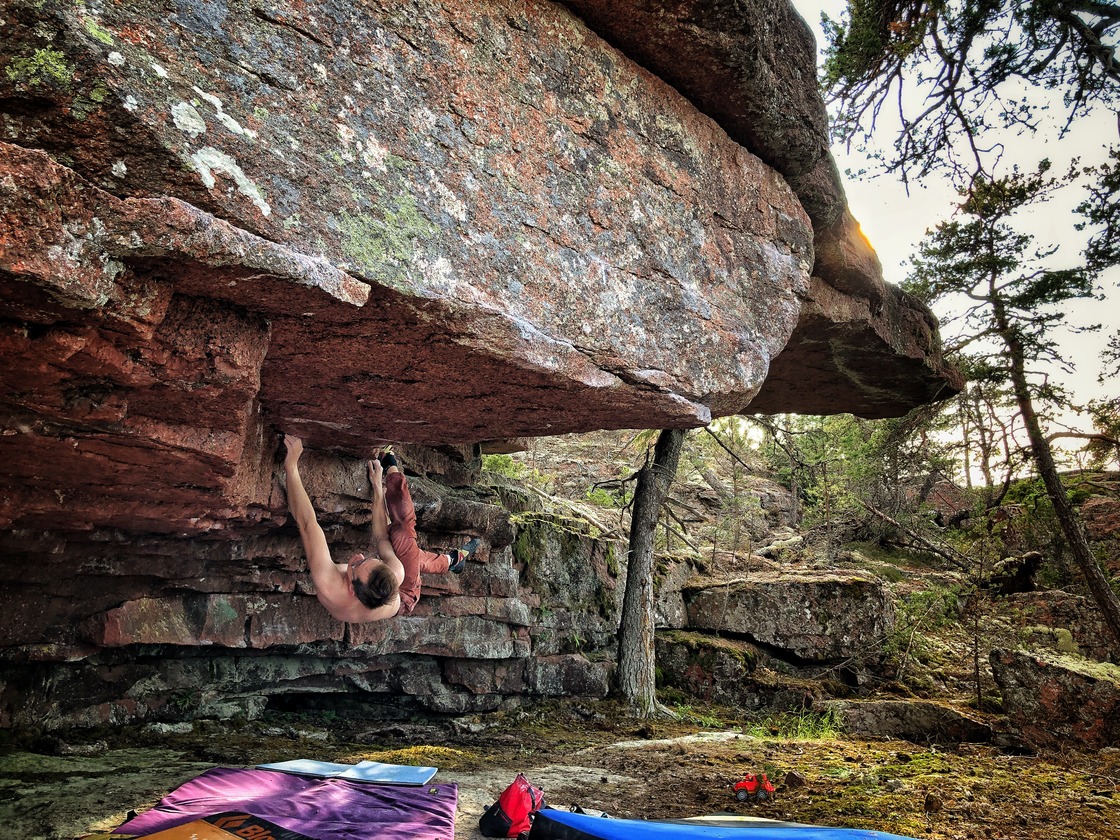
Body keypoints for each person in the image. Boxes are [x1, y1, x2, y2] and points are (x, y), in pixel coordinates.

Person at [282, 434, 479, 622]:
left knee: (409, 553)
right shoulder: (396, 573)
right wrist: (378, 488)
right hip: (407, 593)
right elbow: (381, 538)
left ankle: (451, 561)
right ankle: (392, 468)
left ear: (351, 589)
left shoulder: (329, 583)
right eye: (369, 559)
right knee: (403, 532)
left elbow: (307, 523)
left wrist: (291, 465)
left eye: (358, 565)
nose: (359, 556)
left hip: (396, 600)